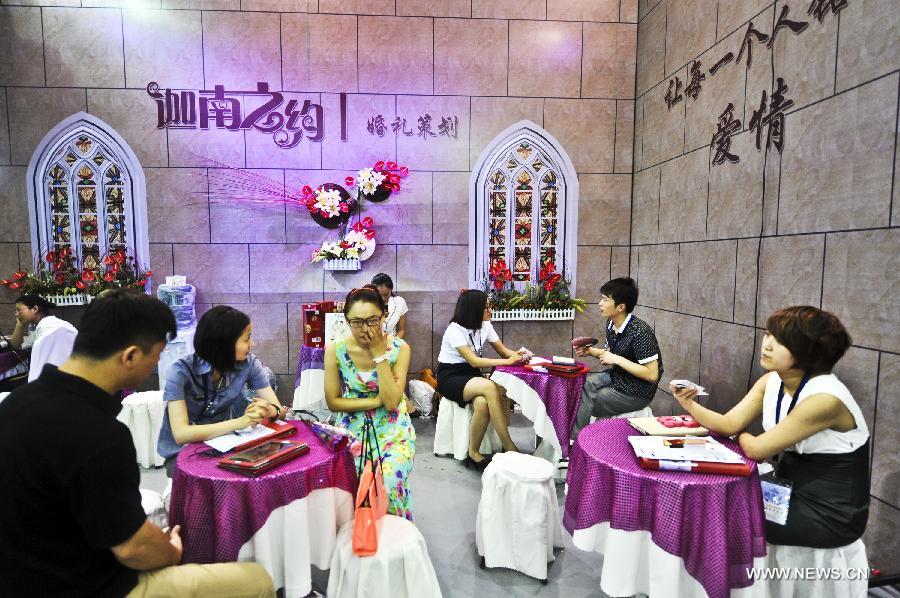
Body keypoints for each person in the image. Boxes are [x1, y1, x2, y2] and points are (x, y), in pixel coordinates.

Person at [0, 290, 274, 597]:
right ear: (130, 356)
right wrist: (172, 550)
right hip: (86, 586)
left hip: (20, 576)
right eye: (156, 355)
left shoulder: (16, 403)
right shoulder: (99, 435)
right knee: (258, 580)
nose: (156, 366)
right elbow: (135, 548)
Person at [670, 307, 869, 563]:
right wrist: (689, 404)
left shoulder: (825, 398)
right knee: (700, 496)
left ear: (810, 350)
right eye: (767, 334)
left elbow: (755, 449)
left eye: (782, 340)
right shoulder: (771, 381)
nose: (767, 344)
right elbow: (729, 423)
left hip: (829, 510)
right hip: (786, 487)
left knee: (715, 513)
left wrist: (740, 433)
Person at [157, 305, 284, 476]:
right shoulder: (180, 372)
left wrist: (269, 410)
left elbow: (279, 410)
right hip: (183, 452)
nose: (251, 344)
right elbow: (181, 434)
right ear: (225, 343)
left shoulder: (248, 363)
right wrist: (241, 422)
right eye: (246, 339)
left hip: (226, 443)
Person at [324, 285, 416, 520]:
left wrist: (379, 354)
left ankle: (393, 541)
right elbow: (333, 401)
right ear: (346, 320)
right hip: (353, 431)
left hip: (393, 430)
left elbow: (393, 402)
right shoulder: (335, 350)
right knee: (349, 485)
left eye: (372, 320)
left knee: (388, 481)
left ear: (384, 315)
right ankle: (357, 541)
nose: (365, 329)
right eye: (356, 322)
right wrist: (374, 401)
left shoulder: (399, 349)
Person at [436, 289, 527, 470]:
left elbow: (503, 350)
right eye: (486, 307)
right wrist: (507, 361)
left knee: (482, 404)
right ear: (473, 310)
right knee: (489, 387)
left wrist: (518, 356)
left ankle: (473, 452)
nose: (490, 310)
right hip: (450, 376)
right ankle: (509, 446)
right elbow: (474, 360)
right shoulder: (454, 329)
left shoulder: (485, 325)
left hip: (470, 375)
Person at [571, 277, 663, 439]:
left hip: (637, 391)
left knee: (587, 400)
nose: (600, 303)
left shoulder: (640, 332)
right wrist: (591, 352)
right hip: (618, 377)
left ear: (620, 307)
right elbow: (611, 354)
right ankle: (575, 439)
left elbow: (652, 375)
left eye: (605, 300)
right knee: (581, 385)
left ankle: (576, 442)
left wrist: (616, 359)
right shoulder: (610, 323)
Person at [372, 273, 408, 339]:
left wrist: (393, 345)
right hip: (371, 344)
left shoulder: (399, 302)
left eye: (386, 295)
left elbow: (401, 330)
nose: (383, 299)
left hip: (392, 343)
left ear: (391, 289)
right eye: (379, 296)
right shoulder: (368, 304)